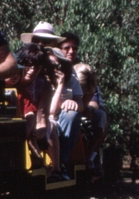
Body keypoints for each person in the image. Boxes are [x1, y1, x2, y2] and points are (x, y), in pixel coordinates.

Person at [6, 43, 61, 180]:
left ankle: (56, 168)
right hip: (11, 122)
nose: (32, 70)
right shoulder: (11, 79)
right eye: (28, 65)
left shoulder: (43, 86)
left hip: (34, 124)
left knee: (47, 127)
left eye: (36, 67)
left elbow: (41, 116)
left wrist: (34, 132)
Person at [61, 32, 108, 171]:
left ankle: (88, 159)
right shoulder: (54, 65)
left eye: (74, 48)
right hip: (59, 109)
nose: (71, 51)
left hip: (79, 108)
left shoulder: (83, 70)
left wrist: (87, 107)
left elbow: (94, 100)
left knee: (101, 116)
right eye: (66, 48)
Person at [45, 47, 82, 179]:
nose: (54, 68)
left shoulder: (68, 78)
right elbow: (50, 111)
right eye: (50, 65)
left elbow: (53, 111)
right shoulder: (41, 80)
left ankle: (62, 163)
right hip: (43, 120)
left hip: (55, 120)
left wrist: (60, 86)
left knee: (71, 114)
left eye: (58, 65)